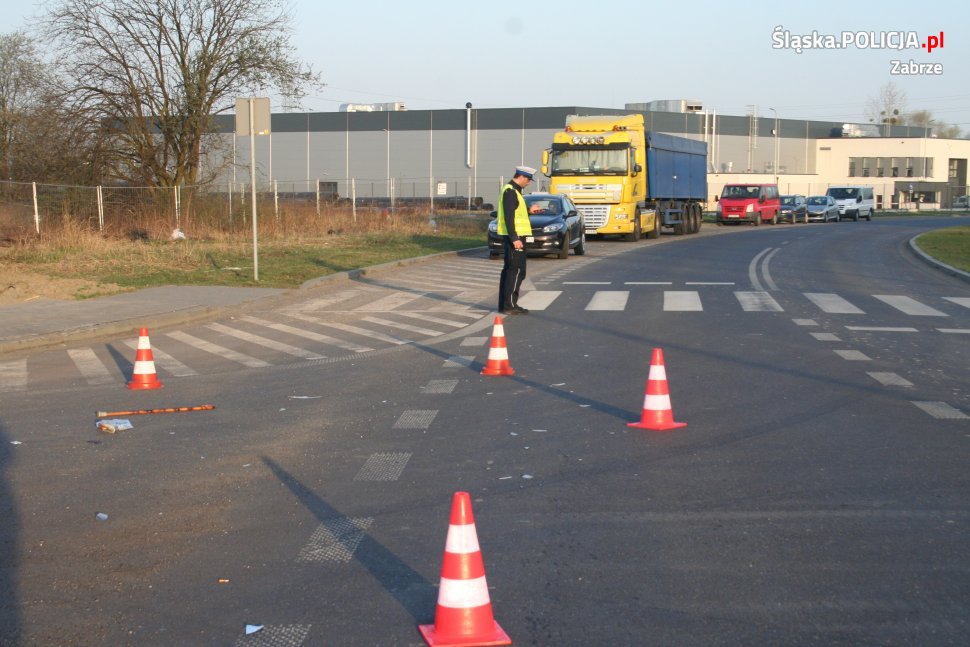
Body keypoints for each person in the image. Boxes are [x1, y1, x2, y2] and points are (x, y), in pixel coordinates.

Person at [497, 165, 542, 315]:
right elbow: (509, 217)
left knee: (511, 271)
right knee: (516, 271)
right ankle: (510, 305)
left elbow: (516, 213)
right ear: (521, 177)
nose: (528, 183)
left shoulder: (514, 191)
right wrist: (514, 238)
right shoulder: (510, 192)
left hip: (516, 236)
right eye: (528, 179)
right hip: (515, 238)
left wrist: (529, 211)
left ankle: (505, 304)